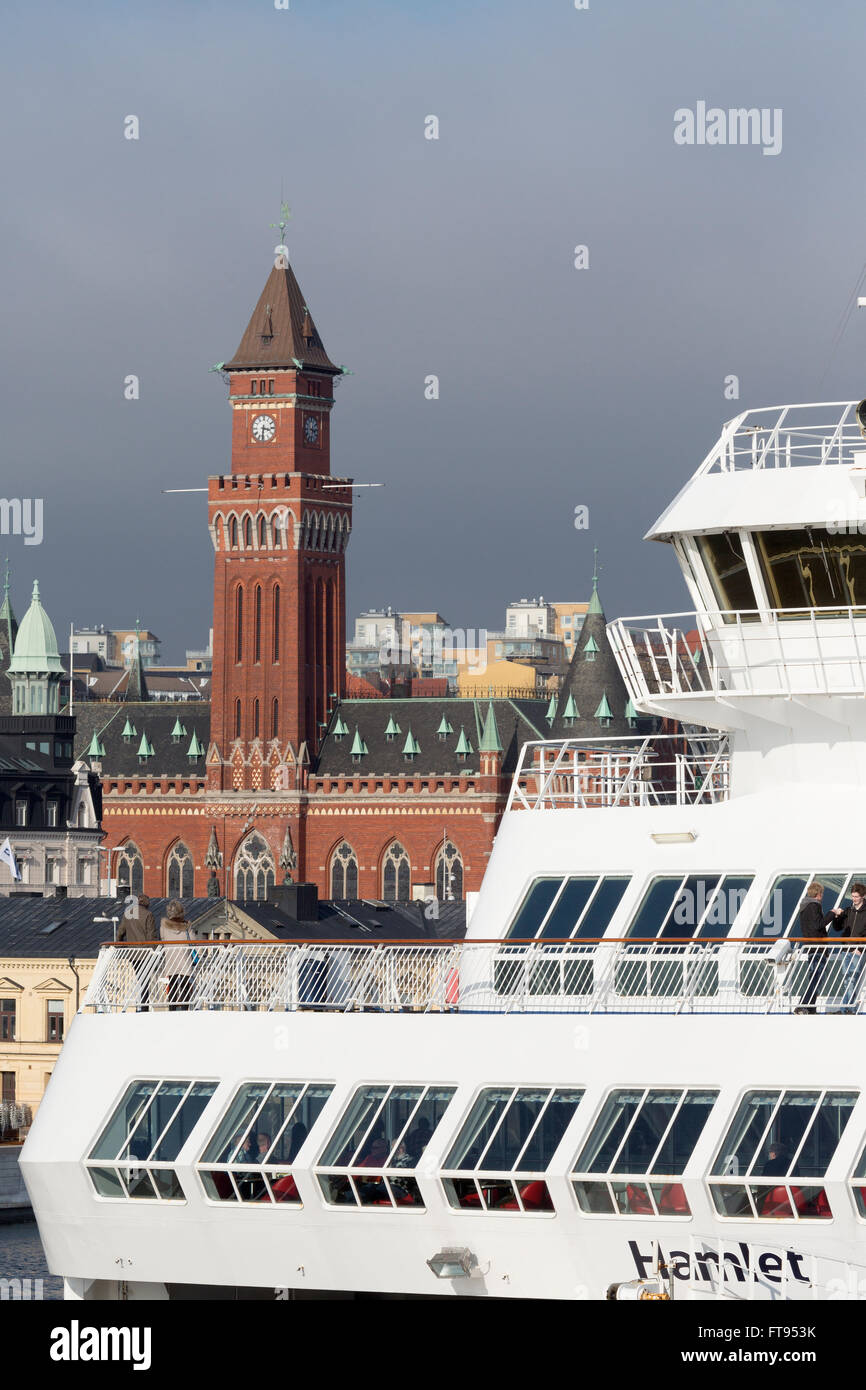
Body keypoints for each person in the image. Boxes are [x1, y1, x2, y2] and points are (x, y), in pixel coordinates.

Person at [794, 882, 839, 1014]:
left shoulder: (805, 906)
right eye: (822, 893)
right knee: (815, 979)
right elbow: (818, 925)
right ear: (818, 894)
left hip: (812, 947)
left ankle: (811, 1008)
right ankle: (803, 1005)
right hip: (817, 948)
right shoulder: (813, 905)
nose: (822, 896)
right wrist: (832, 913)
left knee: (815, 978)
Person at [117, 894, 158, 1011]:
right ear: (146, 904)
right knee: (145, 980)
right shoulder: (148, 915)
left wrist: (118, 945)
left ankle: (140, 1005)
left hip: (133, 953)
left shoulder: (128, 914)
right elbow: (151, 936)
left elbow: (120, 932)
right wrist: (154, 953)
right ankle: (143, 1005)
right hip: (146, 953)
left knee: (140, 978)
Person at [833, 882, 866, 1011]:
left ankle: (847, 1008)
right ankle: (847, 1008)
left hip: (858, 951)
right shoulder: (848, 910)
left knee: (852, 979)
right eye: (852, 896)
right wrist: (837, 917)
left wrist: (860, 947)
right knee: (847, 979)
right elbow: (837, 928)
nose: (854, 899)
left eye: (856, 896)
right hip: (846, 950)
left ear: (863, 896)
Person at [160, 899, 194, 1010]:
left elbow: (162, 938)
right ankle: (185, 1009)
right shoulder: (187, 927)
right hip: (185, 958)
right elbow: (193, 941)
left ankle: (172, 1009)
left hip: (171, 958)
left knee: (172, 987)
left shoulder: (164, 926)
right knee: (185, 987)